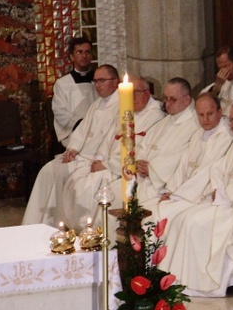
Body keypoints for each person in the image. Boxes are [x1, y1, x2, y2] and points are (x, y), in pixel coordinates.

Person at [158, 99, 233, 298]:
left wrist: (223, 194)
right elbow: (219, 168)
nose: (230, 125)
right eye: (230, 120)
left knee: (195, 223)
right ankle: (181, 280)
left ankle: (206, 284)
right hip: (224, 199)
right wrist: (217, 190)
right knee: (183, 219)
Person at [60, 76, 165, 231]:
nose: (132, 97)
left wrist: (106, 165)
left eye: (137, 92)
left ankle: (94, 231)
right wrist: (99, 158)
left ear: (147, 93)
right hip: (109, 164)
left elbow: (141, 150)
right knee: (77, 181)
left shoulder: (155, 115)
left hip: (122, 169)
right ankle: (80, 230)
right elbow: (110, 138)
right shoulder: (126, 110)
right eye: (130, 94)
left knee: (93, 188)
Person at [23, 65, 121, 227]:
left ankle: (55, 224)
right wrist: (72, 148)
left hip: (93, 158)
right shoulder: (97, 103)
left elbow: (111, 138)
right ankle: (35, 224)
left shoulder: (120, 105)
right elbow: (82, 130)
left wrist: (95, 158)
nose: (97, 85)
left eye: (102, 81)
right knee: (47, 170)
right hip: (81, 154)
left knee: (61, 173)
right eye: (95, 81)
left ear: (116, 82)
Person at [142, 92, 233, 222]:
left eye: (210, 113)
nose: (205, 119)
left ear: (219, 112)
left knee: (160, 214)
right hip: (185, 192)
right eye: (201, 115)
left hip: (200, 195)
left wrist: (178, 195)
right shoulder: (198, 134)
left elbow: (206, 172)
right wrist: (171, 189)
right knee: (146, 208)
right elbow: (184, 165)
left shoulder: (226, 136)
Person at [120, 77, 200, 206]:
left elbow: (180, 156)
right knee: (112, 192)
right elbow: (143, 145)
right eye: (165, 98)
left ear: (186, 100)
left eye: (172, 99)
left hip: (162, 184)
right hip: (143, 178)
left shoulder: (195, 124)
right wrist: (138, 161)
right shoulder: (167, 120)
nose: (167, 104)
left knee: (134, 204)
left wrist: (151, 169)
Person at [51, 36, 97, 148]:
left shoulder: (100, 80)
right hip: (75, 132)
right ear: (72, 56)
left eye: (87, 52)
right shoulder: (62, 84)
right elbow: (60, 112)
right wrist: (82, 125)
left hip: (99, 130)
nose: (84, 56)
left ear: (91, 55)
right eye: (79, 52)